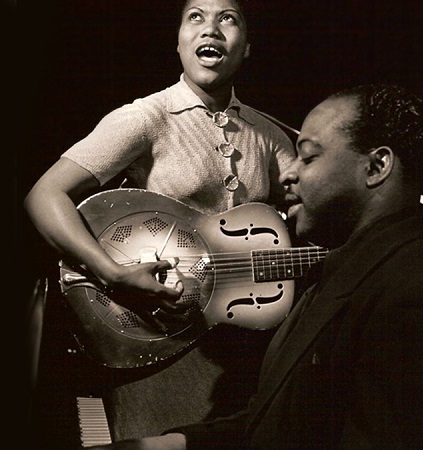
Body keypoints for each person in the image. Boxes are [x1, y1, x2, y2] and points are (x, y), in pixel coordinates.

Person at [83, 83, 423, 449]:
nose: (288, 175)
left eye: (308, 157)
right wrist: (173, 443)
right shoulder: (342, 275)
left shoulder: (421, 295)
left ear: (377, 166)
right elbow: (280, 424)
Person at [24, 0, 296, 446]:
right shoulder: (146, 118)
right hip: (160, 338)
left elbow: (321, 210)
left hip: (242, 346)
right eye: (196, 17)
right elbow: (44, 196)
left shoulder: (269, 136)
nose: (211, 29)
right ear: (179, 43)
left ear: (246, 47)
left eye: (227, 18)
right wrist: (113, 273)